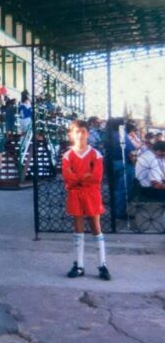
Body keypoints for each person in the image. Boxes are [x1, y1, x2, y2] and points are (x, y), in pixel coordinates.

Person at [62, 120, 111, 281]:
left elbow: (96, 177)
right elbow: (67, 177)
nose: (80, 134)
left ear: (88, 134)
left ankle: (102, 265)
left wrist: (77, 177)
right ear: (71, 134)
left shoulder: (95, 154)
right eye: (77, 131)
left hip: (91, 193)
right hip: (76, 193)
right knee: (78, 228)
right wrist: (84, 176)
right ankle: (79, 265)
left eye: (83, 131)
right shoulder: (68, 155)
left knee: (96, 227)